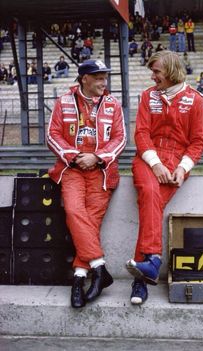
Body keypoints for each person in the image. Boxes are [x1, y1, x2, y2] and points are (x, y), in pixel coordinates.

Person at [125, 51, 203, 305]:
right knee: (150, 194)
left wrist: (182, 168)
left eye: (157, 71)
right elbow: (141, 134)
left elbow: (197, 143)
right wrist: (156, 163)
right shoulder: (148, 96)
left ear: (171, 71)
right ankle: (153, 258)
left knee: (150, 203)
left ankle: (143, 276)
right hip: (148, 157)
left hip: (177, 161)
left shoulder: (196, 100)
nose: (153, 76)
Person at [47, 59, 126, 308]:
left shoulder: (114, 104)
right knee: (73, 211)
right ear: (84, 79)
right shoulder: (63, 102)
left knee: (90, 222)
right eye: (99, 78)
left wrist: (97, 157)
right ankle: (99, 267)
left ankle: (80, 277)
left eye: (105, 77)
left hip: (102, 173)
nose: (104, 82)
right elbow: (52, 135)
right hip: (72, 168)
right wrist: (73, 156)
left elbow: (120, 138)